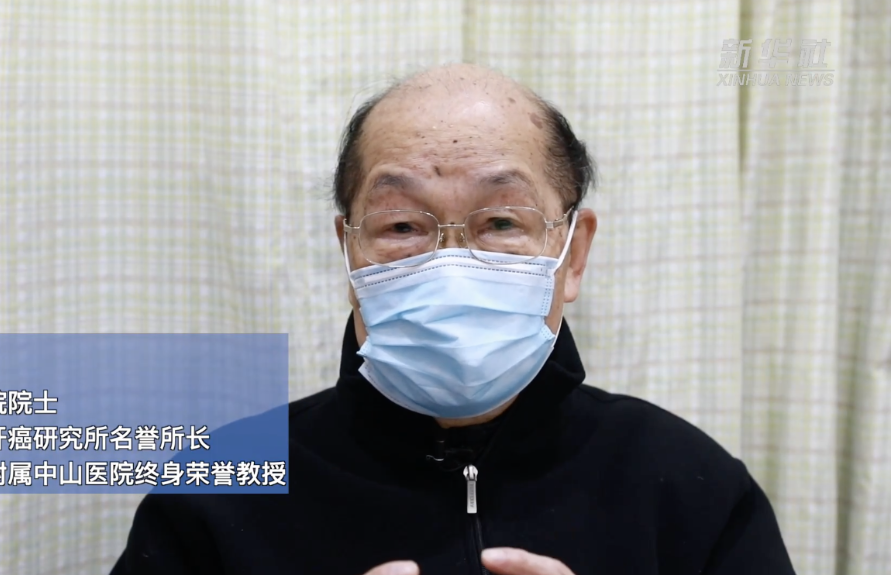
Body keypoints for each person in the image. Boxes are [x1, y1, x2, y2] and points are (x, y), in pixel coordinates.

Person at [111, 63, 796, 575]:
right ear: (348, 250)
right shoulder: (214, 493)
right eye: (401, 224)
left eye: (500, 221)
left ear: (573, 253)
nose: (449, 264)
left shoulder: (689, 487)